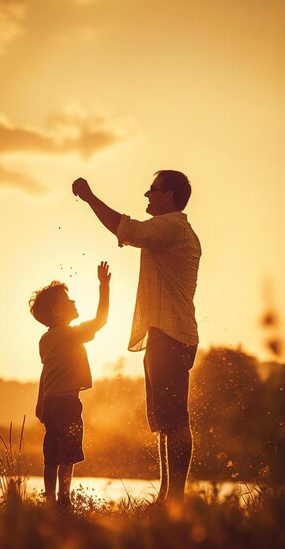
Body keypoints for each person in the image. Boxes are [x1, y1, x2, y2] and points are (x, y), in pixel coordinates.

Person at [72, 171, 201, 504]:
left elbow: (127, 228)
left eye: (152, 190)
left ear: (169, 196)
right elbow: (130, 232)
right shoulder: (168, 230)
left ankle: (176, 499)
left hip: (171, 334)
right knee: (163, 422)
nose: (146, 196)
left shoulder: (171, 226)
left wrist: (89, 196)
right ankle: (167, 497)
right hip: (164, 333)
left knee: (174, 420)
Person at [29, 261, 111, 509]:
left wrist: (40, 402)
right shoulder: (69, 334)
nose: (74, 302)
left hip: (51, 403)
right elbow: (101, 320)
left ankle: (50, 500)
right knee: (67, 452)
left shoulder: (45, 340)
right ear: (56, 312)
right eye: (68, 300)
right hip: (67, 403)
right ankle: (64, 500)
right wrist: (104, 287)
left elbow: (46, 372)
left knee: (51, 454)